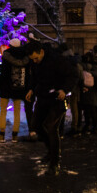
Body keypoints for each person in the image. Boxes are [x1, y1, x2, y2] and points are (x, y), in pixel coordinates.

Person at [25, 40, 77, 175]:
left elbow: (73, 75)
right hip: (42, 97)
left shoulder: (57, 59)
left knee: (51, 127)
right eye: (32, 59)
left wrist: (64, 90)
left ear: (41, 52)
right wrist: (31, 89)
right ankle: (51, 150)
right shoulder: (34, 62)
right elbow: (34, 77)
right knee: (36, 125)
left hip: (57, 99)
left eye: (36, 58)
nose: (35, 61)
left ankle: (55, 162)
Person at [0, 38, 29, 143]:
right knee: (17, 112)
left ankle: (2, 135)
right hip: (19, 86)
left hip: (6, 86)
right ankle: (15, 135)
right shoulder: (25, 56)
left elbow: (3, 73)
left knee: (3, 111)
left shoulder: (6, 56)